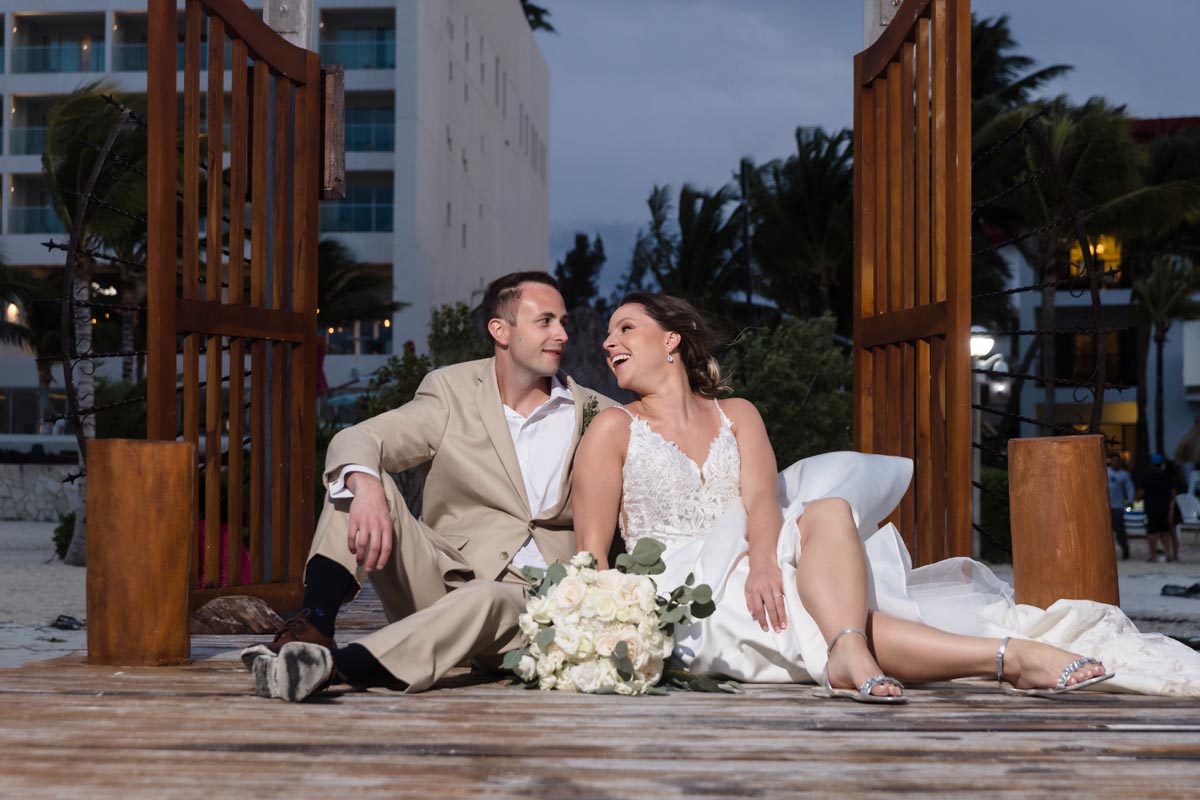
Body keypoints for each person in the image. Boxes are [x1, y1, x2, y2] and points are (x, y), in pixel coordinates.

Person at [573, 293, 1200, 699]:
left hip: (757, 552)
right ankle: (1007, 658)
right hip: (684, 583)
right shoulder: (612, 428)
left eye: (625, 328)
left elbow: (762, 499)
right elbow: (592, 555)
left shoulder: (737, 414)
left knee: (828, 510)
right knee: (816, 606)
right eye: (607, 334)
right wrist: (603, 628)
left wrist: (763, 560)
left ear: (672, 340)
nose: (608, 342)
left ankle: (854, 650)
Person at [241, 271, 612, 701]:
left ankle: (333, 667)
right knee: (359, 477)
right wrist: (367, 488)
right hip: (440, 580)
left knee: (487, 598)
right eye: (545, 321)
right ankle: (313, 627)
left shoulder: (597, 414)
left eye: (563, 322)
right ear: (501, 330)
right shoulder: (452, 391)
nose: (562, 334)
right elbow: (360, 438)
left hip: (534, 605)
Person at [1140, 454, 1178, 562]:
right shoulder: (1167, 476)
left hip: (1151, 507)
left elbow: (1141, 492)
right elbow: (1173, 493)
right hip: (1164, 507)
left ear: (1151, 464)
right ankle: (1167, 554)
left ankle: (1153, 556)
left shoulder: (1146, 476)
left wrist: (1135, 499)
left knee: (1152, 532)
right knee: (1165, 531)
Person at [1106, 453, 1135, 560]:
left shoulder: (1124, 475)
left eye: (1117, 460)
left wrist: (1130, 501)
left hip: (1118, 506)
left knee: (1119, 531)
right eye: (1113, 460)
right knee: (1105, 532)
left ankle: (1125, 550)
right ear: (1110, 461)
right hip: (1105, 507)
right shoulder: (1105, 471)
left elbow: (1129, 488)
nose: (1115, 462)